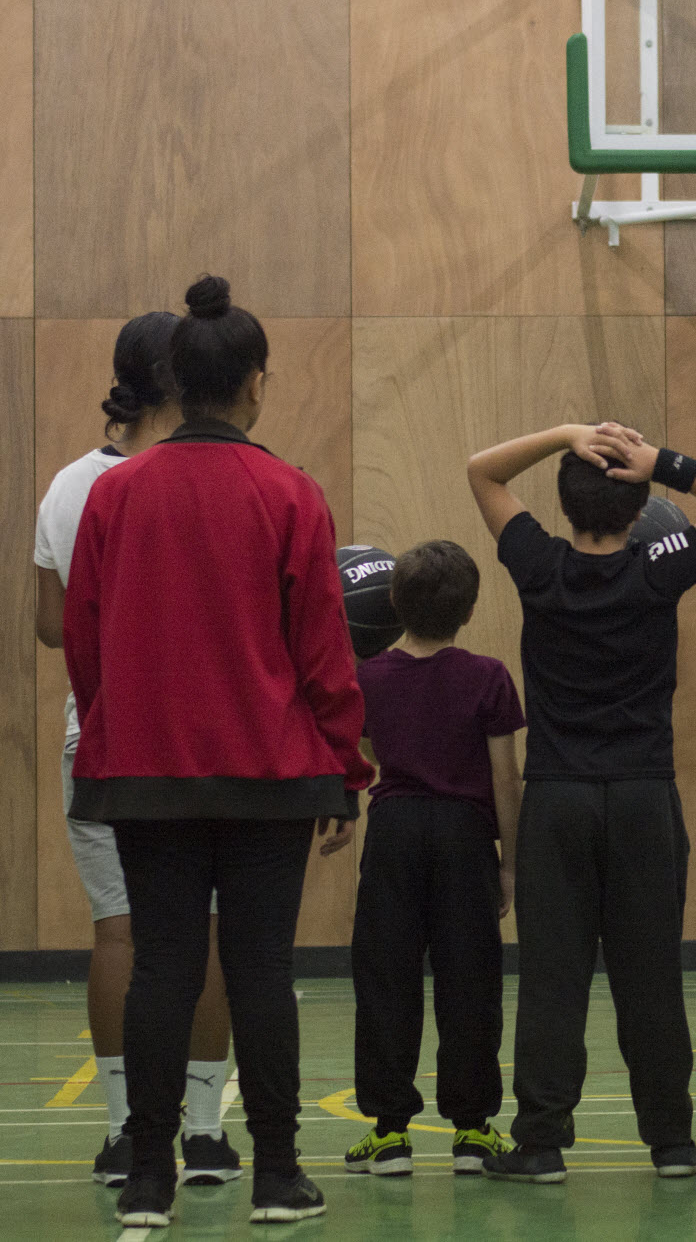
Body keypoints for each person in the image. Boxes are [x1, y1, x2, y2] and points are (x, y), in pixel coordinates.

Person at [66, 276, 372, 1227]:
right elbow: (323, 644)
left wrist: (121, 727)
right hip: (272, 773)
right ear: (255, 385)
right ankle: (276, 1174)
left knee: (162, 968)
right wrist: (345, 767)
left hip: (143, 773)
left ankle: (149, 1179)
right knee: (260, 970)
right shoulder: (290, 492)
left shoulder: (115, 497)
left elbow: (84, 639)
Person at [467, 422, 696, 1185]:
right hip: (641, 797)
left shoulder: (540, 562)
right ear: (639, 510)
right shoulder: (657, 566)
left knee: (551, 978)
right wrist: (662, 461)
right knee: (652, 975)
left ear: (565, 505)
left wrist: (568, 432)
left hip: (558, 799)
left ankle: (539, 1143)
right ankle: (671, 1143)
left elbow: (483, 471)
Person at [32, 311, 241, 1192]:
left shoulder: (67, 487)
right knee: (207, 929)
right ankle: (202, 1134)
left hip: (105, 730)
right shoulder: (206, 477)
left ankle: (122, 1134)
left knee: (118, 929)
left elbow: (50, 626)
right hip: (202, 731)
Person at [342, 540, 524, 1177]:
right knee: (470, 984)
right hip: (464, 837)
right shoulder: (488, 677)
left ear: (393, 605)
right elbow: (507, 780)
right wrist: (508, 864)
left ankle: (389, 1134)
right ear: (469, 611)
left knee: (385, 980)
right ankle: (473, 1132)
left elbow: (365, 753)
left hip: (393, 832)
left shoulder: (368, 677)